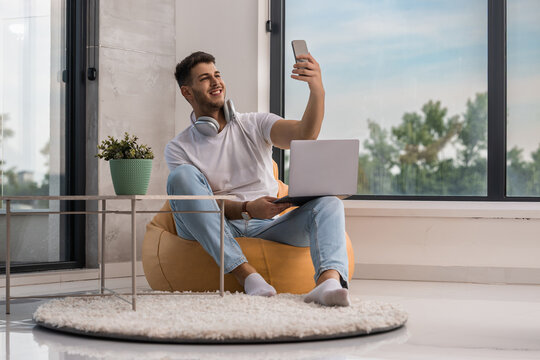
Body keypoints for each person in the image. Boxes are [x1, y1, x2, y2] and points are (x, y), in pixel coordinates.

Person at [165, 51, 350, 307]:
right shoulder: (179, 147)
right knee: (181, 177)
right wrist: (246, 209)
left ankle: (328, 283)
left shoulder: (254, 123)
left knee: (330, 203)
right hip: (218, 225)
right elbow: (192, 202)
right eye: (205, 79)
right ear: (187, 92)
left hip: (269, 226)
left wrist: (317, 89)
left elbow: (304, 135)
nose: (216, 82)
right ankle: (248, 276)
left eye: (217, 75)